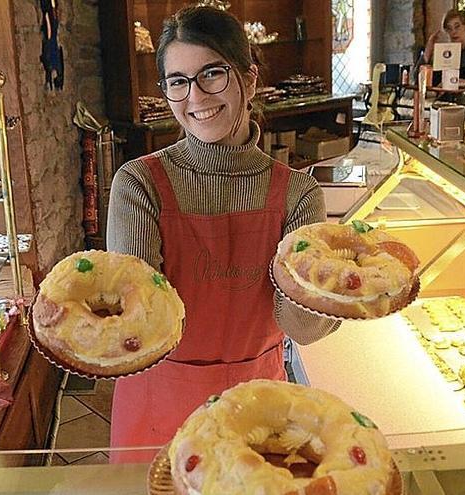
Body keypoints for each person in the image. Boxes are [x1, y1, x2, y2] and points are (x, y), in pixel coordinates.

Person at [106, 6, 339, 463]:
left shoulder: (297, 194)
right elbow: (137, 323)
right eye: (178, 80)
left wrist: (332, 288)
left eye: (212, 74)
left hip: (258, 405)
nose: (195, 96)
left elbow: (303, 330)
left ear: (249, 81)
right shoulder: (139, 183)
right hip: (157, 400)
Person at [420, 9, 465, 84]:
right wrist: (428, 51)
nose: (453, 32)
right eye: (449, 29)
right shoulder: (442, 53)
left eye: (457, 27)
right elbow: (419, 80)